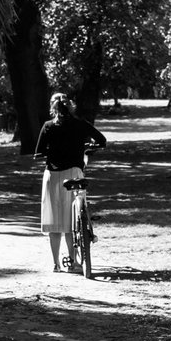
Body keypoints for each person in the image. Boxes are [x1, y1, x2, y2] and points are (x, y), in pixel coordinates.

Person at [34, 93, 106, 273]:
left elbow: (39, 152)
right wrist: (88, 148)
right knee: (71, 220)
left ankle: (56, 264)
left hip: (53, 175)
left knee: (54, 221)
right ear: (71, 106)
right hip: (74, 173)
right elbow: (102, 140)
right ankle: (74, 262)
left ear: (53, 108)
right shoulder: (81, 124)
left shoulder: (48, 126)